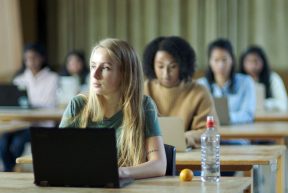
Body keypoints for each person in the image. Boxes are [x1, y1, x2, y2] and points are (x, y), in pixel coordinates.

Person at [59, 38, 166, 179]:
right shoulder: (78, 105)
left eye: (105, 68)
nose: (95, 74)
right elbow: (57, 158)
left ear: (125, 73)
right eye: (92, 66)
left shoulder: (144, 106)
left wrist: (119, 172)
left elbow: (159, 165)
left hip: (129, 191)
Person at [143, 36, 219, 148]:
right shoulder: (144, 89)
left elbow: (210, 131)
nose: (166, 74)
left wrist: (185, 138)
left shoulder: (199, 91)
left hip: (189, 154)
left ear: (183, 65)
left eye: (172, 66)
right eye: (160, 66)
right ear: (151, 65)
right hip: (151, 153)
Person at [0, 43, 58, 171]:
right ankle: (10, 172)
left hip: (40, 124)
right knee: (3, 144)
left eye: (34, 57)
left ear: (42, 58)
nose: (31, 61)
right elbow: (14, 104)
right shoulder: (19, 79)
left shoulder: (52, 78)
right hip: (19, 123)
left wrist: (30, 105)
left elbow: (49, 103)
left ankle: (9, 173)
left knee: (17, 145)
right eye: (27, 58)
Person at [197, 38, 256, 124]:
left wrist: (225, 118)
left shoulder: (246, 82)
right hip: (209, 133)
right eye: (216, 60)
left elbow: (248, 114)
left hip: (238, 134)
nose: (221, 65)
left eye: (224, 60)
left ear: (232, 60)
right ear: (210, 62)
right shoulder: (201, 85)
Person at [240, 46, 288, 112]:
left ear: (263, 61)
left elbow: (283, 105)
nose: (252, 66)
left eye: (256, 61)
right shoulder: (239, 80)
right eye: (249, 61)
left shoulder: (273, 78)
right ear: (243, 63)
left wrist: (263, 104)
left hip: (270, 119)